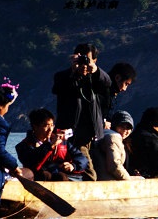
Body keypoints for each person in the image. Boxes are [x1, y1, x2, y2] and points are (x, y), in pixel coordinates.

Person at [52, 43, 112, 181]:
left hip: (92, 134)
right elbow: (57, 89)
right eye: (81, 59)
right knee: (90, 175)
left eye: (88, 60)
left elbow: (108, 83)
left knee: (85, 169)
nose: (84, 63)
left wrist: (95, 70)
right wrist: (73, 71)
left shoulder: (96, 78)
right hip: (74, 134)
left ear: (95, 61)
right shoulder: (63, 76)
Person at [15, 108, 88, 181]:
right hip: (38, 181)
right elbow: (32, 162)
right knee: (46, 175)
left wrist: (73, 166)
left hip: (62, 178)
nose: (50, 129)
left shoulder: (62, 142)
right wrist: (50, 146)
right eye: (46, 126)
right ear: (35, 127)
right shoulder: (22, 146)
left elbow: (82, 158)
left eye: (52, 125)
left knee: (61, 176)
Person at [92, 110, 139, 181]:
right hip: (108, 182)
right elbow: (114, 165)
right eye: (121, 126)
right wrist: (128, 180)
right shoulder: (113, 137)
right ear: (114, 125)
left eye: (128, 128)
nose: (124, 130)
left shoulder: (106, 136)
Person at [101, 62, 137, 130]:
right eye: (126, 84)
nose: (125, 89)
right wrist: (102, 123)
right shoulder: (102, 91)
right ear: (117, 78)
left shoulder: (111, 93)